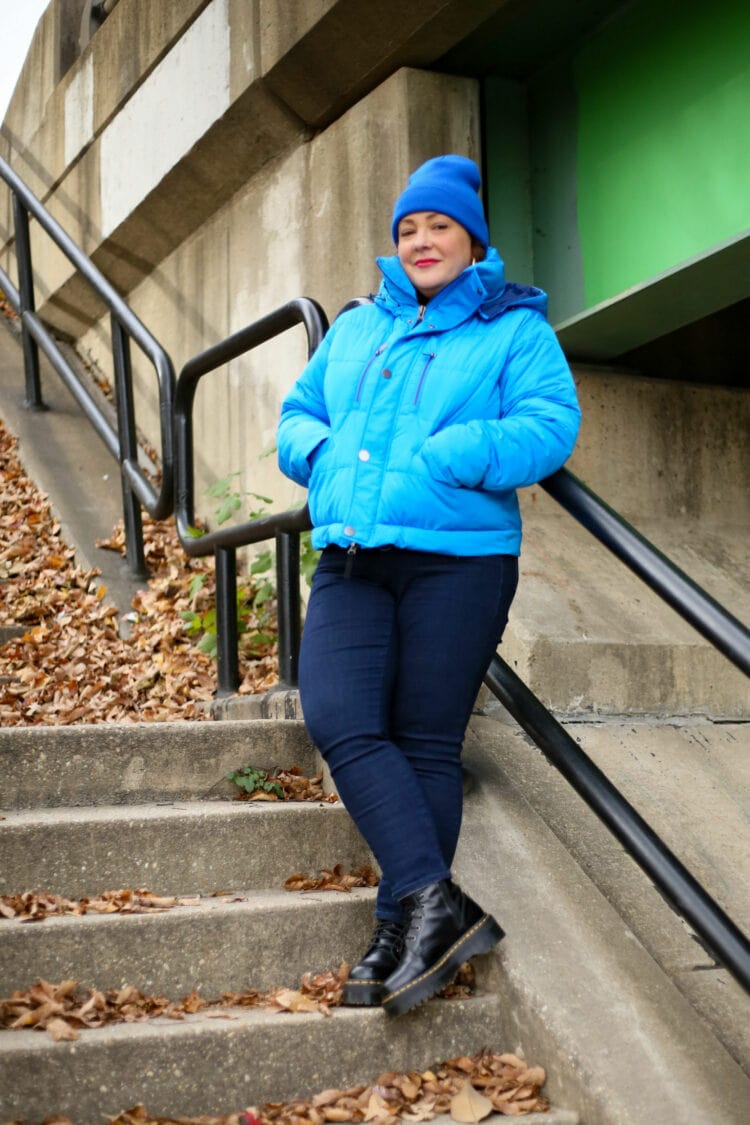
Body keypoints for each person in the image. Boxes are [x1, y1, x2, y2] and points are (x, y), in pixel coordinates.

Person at [277, 154, 580, 1017]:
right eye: (407, 229)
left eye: (437, 226)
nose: (419, 241)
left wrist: (457, 454)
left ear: (472, 239)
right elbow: (299, 412)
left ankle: (398, 934)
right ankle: (433, 899)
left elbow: (551, 423)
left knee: (423, 741)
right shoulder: (357, 328)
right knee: (337, 713)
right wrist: (321, 452)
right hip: (352, 556)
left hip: (461, 560)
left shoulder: (514, 330)